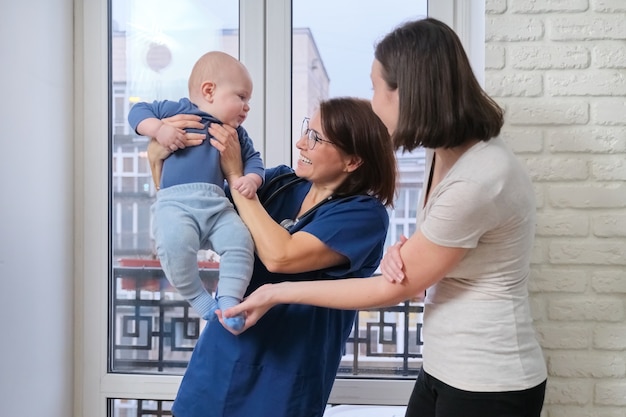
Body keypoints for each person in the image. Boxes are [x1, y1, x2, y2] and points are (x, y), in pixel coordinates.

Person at [223, 17, 548, 417]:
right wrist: (409, 254)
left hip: (489, 379)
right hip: (443, 366)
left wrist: (276, 292)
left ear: (408, 93)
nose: (373, 102)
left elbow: (390, 290)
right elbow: (430, 269)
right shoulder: (445, 155)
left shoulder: (480, 177)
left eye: (376, 88)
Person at [147, 96, 397, 417]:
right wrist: (158, 162)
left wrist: (238, 178)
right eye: (307, 130)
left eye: (316, 138)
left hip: (284, 378)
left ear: (353, 161)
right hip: (219, 360)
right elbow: (194, 217)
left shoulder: (363, 215)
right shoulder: (278, 182)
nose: (300, 143)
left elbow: (281, 256)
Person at [128, 51, 264, 331]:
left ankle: (229, 299)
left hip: (217, 207)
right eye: (241, 97)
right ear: (209, 91)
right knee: (174, 245)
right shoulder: (178, 110)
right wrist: (160, 129)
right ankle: (198, 298)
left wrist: (251, 179)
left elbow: (254, 161)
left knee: (240, 241)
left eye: (248, 100)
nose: (247, 107)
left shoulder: (236, 134)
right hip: (176, 204)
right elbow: (137, 111)